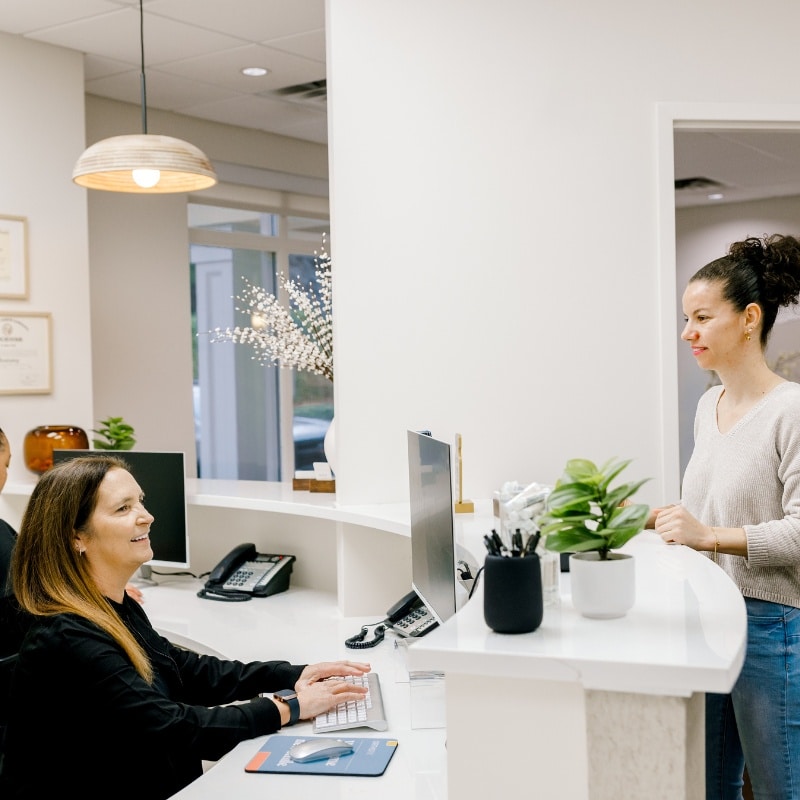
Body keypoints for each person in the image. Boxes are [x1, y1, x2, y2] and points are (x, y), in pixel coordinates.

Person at [0, 454, 370, 799]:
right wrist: (288, 707)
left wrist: (292, 674)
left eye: (140, 501)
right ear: (76, 537)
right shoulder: (68, 635)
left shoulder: (112, 606)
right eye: (123, 508)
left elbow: (185, 670)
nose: (147, 516)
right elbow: (176, 730)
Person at [651, 233, 800, 799]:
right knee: (709, 786)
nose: (687, 332)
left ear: (749, 319)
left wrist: (707, 534)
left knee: (779, 787)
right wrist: (646, 518)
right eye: (685, 319)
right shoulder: (706, 405)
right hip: (707, 614)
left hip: (770, 625)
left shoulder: (791, 411)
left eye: (702, 318)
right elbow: (707, 509)